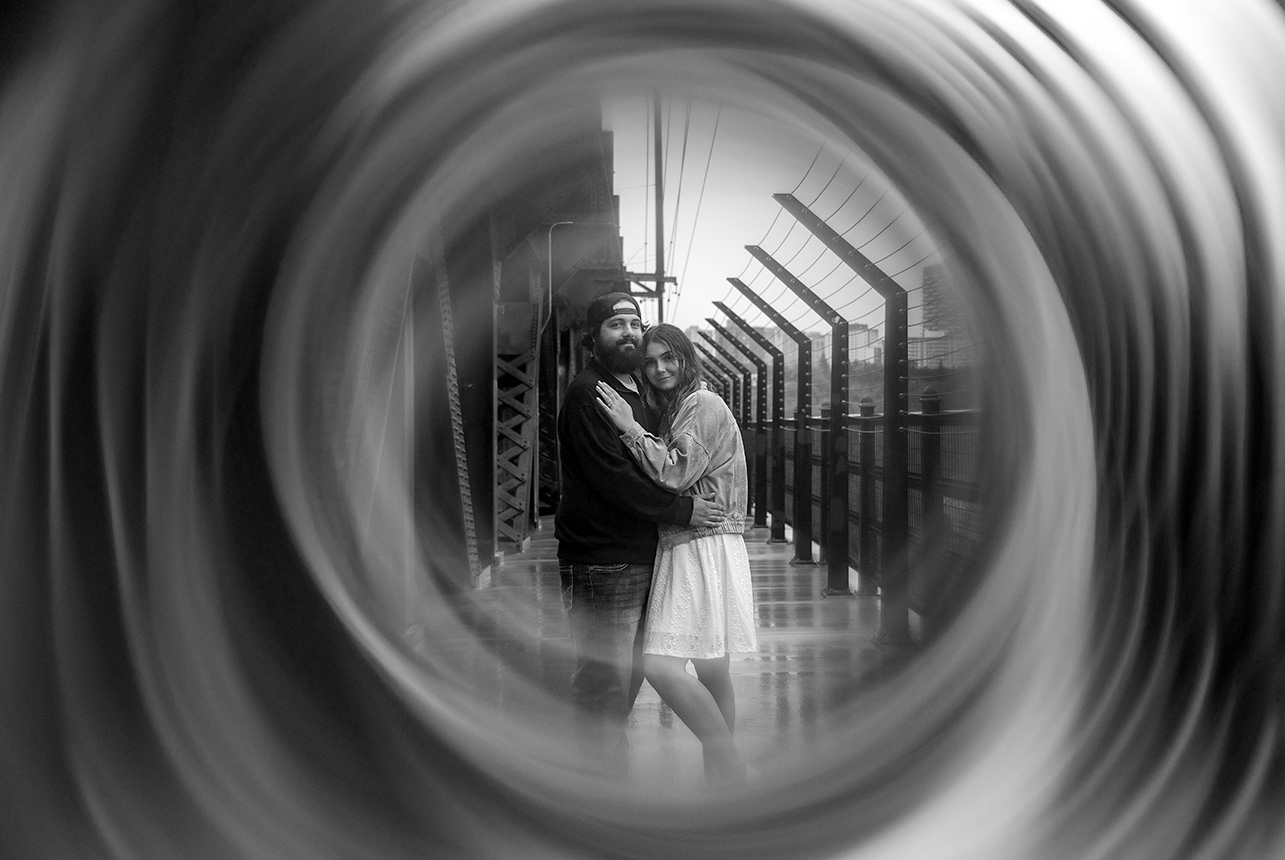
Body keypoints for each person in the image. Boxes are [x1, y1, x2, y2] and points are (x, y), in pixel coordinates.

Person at [555, 293, 727, 775]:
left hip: (639, 554)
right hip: (602, 560)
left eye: (635, 323)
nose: (629, 333)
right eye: (615, 324)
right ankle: (598, 796)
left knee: (627, 681)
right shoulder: (591, 394)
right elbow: (616, 479)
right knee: (604, 684)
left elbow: (660, 458)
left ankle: (610, 787)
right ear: (593, 337)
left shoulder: (636, 391)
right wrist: (682, 510)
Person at [593, 323, 758, 786]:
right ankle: (723, 781)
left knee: (661, 666)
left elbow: (675, 471)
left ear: (687, 358)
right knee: (711, 667)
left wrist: (628, 428)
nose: (659, 368)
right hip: (704, 543)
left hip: (698, 546)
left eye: (669, 357)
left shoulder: (702, 404)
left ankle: (731, 766)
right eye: (649, 361)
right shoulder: (680, 407)